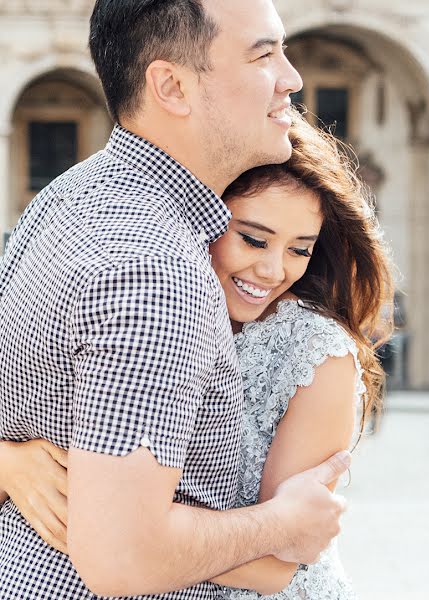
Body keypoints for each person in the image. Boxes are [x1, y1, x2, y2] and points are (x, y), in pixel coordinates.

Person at [0, 1, 349, 597]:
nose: (291, 78)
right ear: (171, 86)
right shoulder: (155, 270)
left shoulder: (65, 196)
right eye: (264, 54)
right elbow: (123, 560)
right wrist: (281, 524)